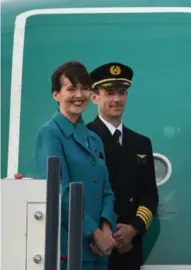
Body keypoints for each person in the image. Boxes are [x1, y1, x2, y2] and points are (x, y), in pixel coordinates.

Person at [34, 61, 116, 270]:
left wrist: (106, 230)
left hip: (99, 250)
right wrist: (95, 233)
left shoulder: (94, 139)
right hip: (68, 250)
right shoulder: (50, 134)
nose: (79, 95)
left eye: (85, 88)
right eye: (71, 88)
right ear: (56, 94)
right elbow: (60, 192)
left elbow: (106, 189)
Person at [87, 62, 159, 270]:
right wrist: (99, 232)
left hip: (129, 248)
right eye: (109, 93)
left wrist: (133, 229)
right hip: (94, 246)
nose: (117, 99)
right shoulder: (85, 139)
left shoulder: (141, 143)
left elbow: (149, 195)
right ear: (94, 97)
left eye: (122, 92)